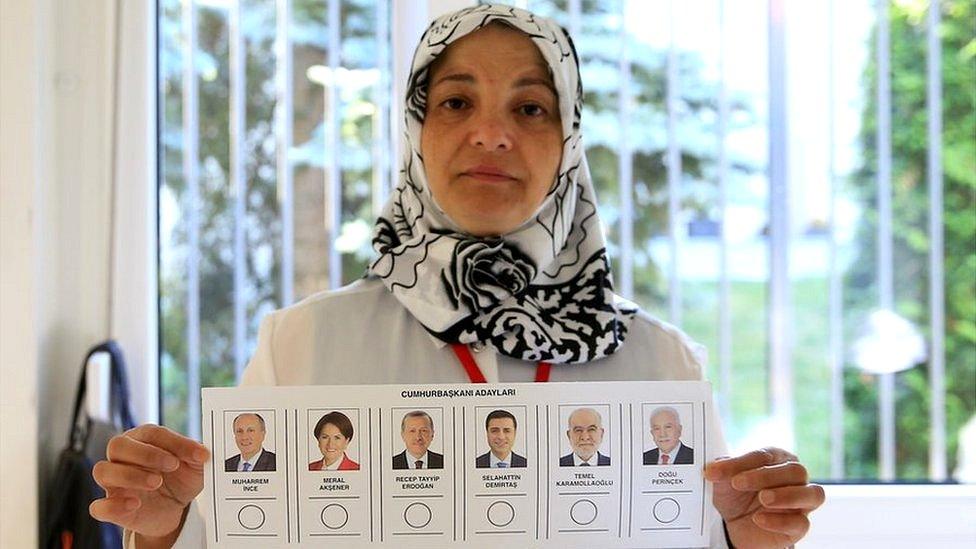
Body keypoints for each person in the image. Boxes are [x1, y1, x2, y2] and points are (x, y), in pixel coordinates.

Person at [90, 5, 824, 548]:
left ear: (568, 143)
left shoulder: (659, 361)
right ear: (417, 131)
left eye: (531, 107)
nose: (491, 132)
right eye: (456, 102)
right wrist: (164, 528)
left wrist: (747, 536)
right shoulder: (304, 343)